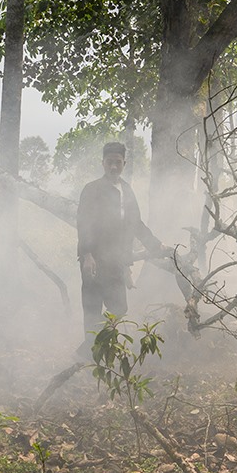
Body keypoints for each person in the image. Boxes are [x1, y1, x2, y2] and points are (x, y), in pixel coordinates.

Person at [76, 141, 143, 339]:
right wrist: (87, 255)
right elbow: (84, 224)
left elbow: (135, 224)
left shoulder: (127, 190)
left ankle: (94, 349)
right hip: (94, 260)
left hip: (115, 261)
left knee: (120, 308)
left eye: (118, 162)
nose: (113, 166)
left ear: (125, 163)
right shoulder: (92, 189)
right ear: (102, 163)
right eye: (109, 162)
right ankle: (91, 357)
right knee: (92, 310)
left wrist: (155, 244)